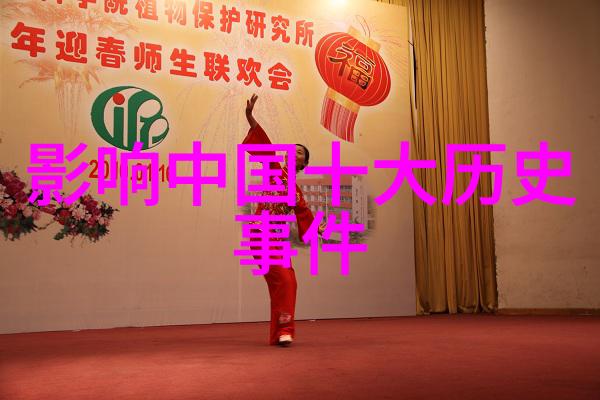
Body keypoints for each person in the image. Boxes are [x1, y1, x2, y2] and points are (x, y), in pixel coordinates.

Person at [242, 94, 324, 346]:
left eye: (300, 152)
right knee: (285, 280)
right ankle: (284, 329)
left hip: (276, 240)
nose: (294, 152)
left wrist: (318, 228)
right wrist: (250, 117)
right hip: (261, 233)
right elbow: (264, 147)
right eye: (292, 149)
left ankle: (281, 331)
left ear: (304, 162)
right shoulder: (275, 170)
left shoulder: (297, 192)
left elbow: (305, 215)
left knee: (290, 282)